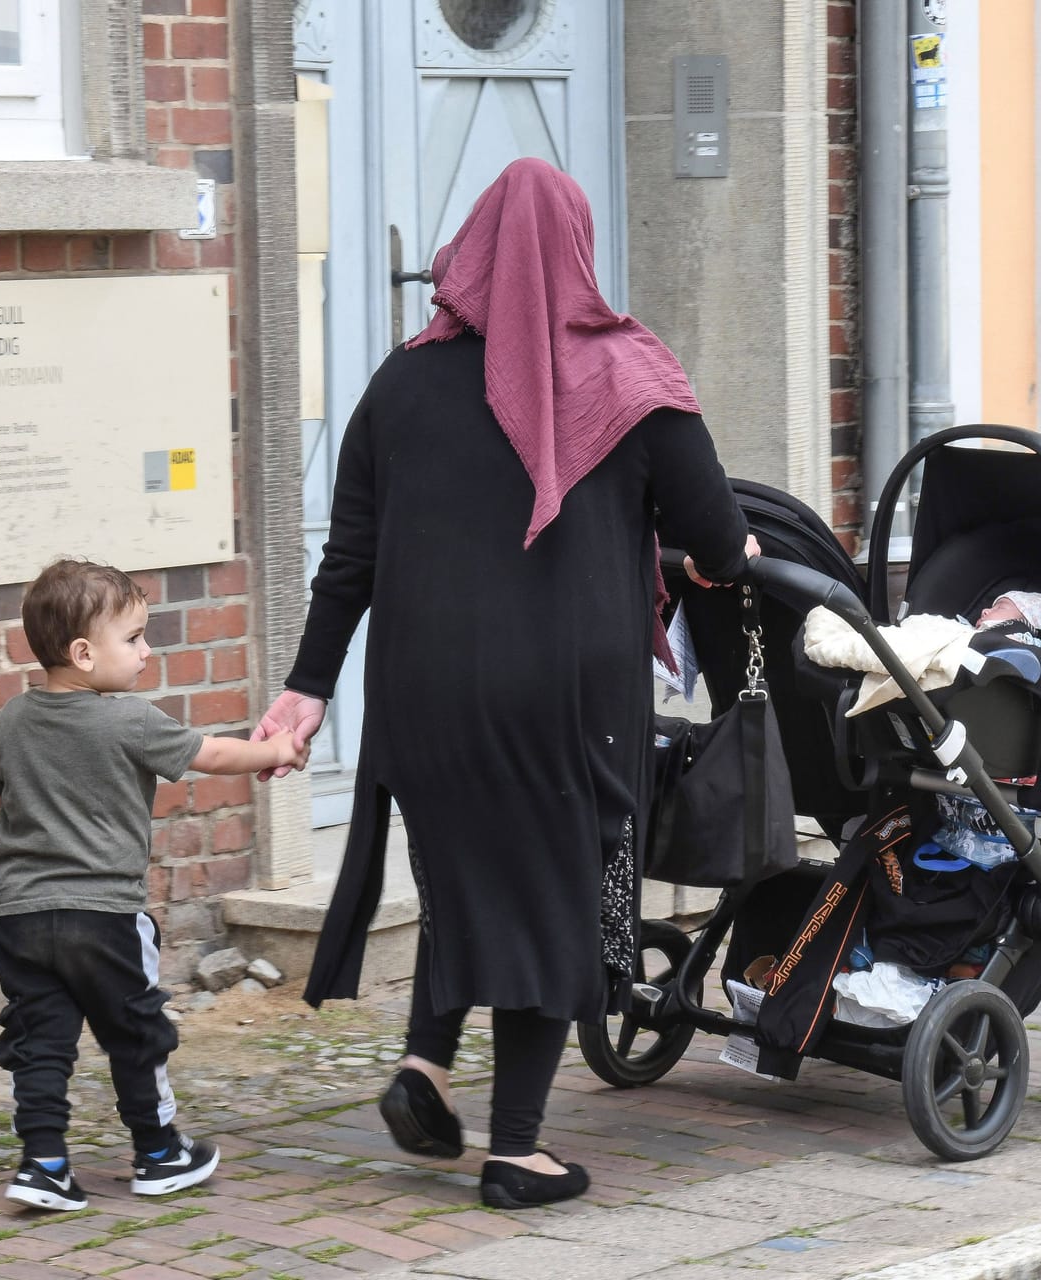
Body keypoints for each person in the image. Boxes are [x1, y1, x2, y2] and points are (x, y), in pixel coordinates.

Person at [252, 157, 756, 1210]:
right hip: (562, 701)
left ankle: (423, 1068)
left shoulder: (399, 379)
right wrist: (704, 559)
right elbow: (715, 535)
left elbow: (350, 557)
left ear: (468, 249)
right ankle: (517, 1149)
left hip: (421, 695)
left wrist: (307, 688)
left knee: (470, 871)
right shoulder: (632, 379)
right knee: (557, 892)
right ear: (577, 250)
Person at [0, 557, 310, 1212]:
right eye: (132, 638)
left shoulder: (12, 720)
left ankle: (42, 1165)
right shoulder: (131, 719)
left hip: (20, 921)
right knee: (136, 1032)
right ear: (82, 653)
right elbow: (210, 754)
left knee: (39, 1041)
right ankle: (158, 1154)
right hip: (105, 919)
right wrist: (275, 751)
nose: (146, 650)